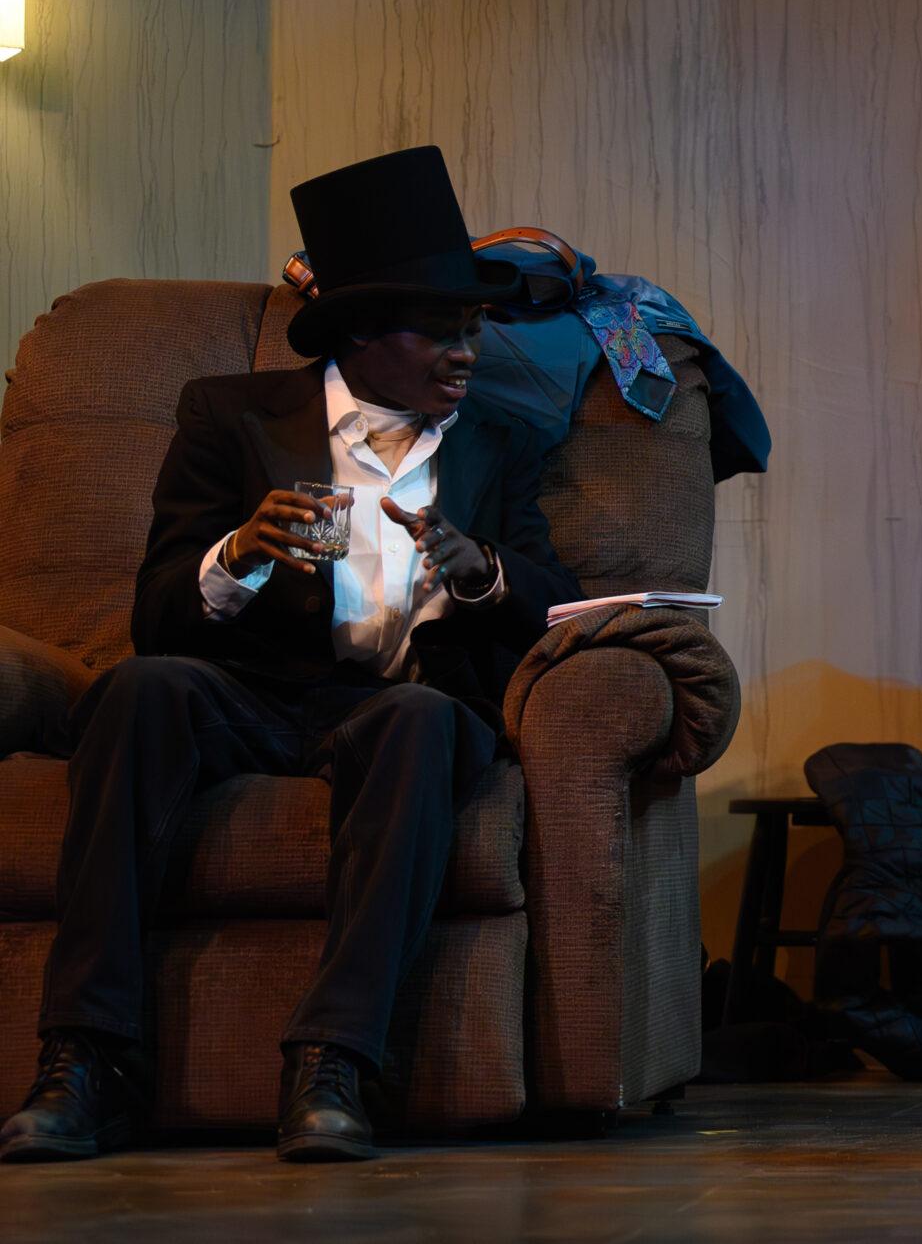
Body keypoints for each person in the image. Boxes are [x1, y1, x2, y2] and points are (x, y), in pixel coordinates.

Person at [0, 147, 582, 1163]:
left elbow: (552, 602)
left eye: (474, 326)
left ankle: (334, 1065)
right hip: (246, 689)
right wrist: (240, 554)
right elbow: (158, 613)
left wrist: (482, 569)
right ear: (360, 332)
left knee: (424, 720)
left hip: (394, 702)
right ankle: (86, 1061)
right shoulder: (229, 415)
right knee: (140, 690)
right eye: (441, 329)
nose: (467, 351)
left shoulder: (501, 442)